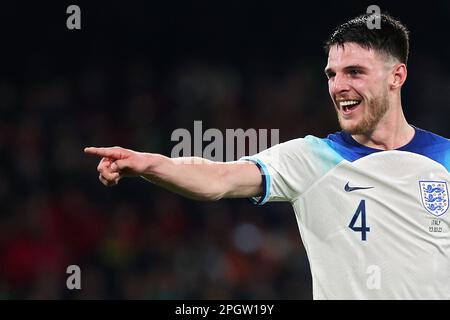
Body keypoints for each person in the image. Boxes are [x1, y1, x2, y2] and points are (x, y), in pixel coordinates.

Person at [85, 13, 450, 299]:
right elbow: (218, 178)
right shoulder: (312, 158)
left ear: (396, 76)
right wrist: (152, 164)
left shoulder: (445, 158)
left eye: (355, 72)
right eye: (332, 74)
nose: (339, 86)